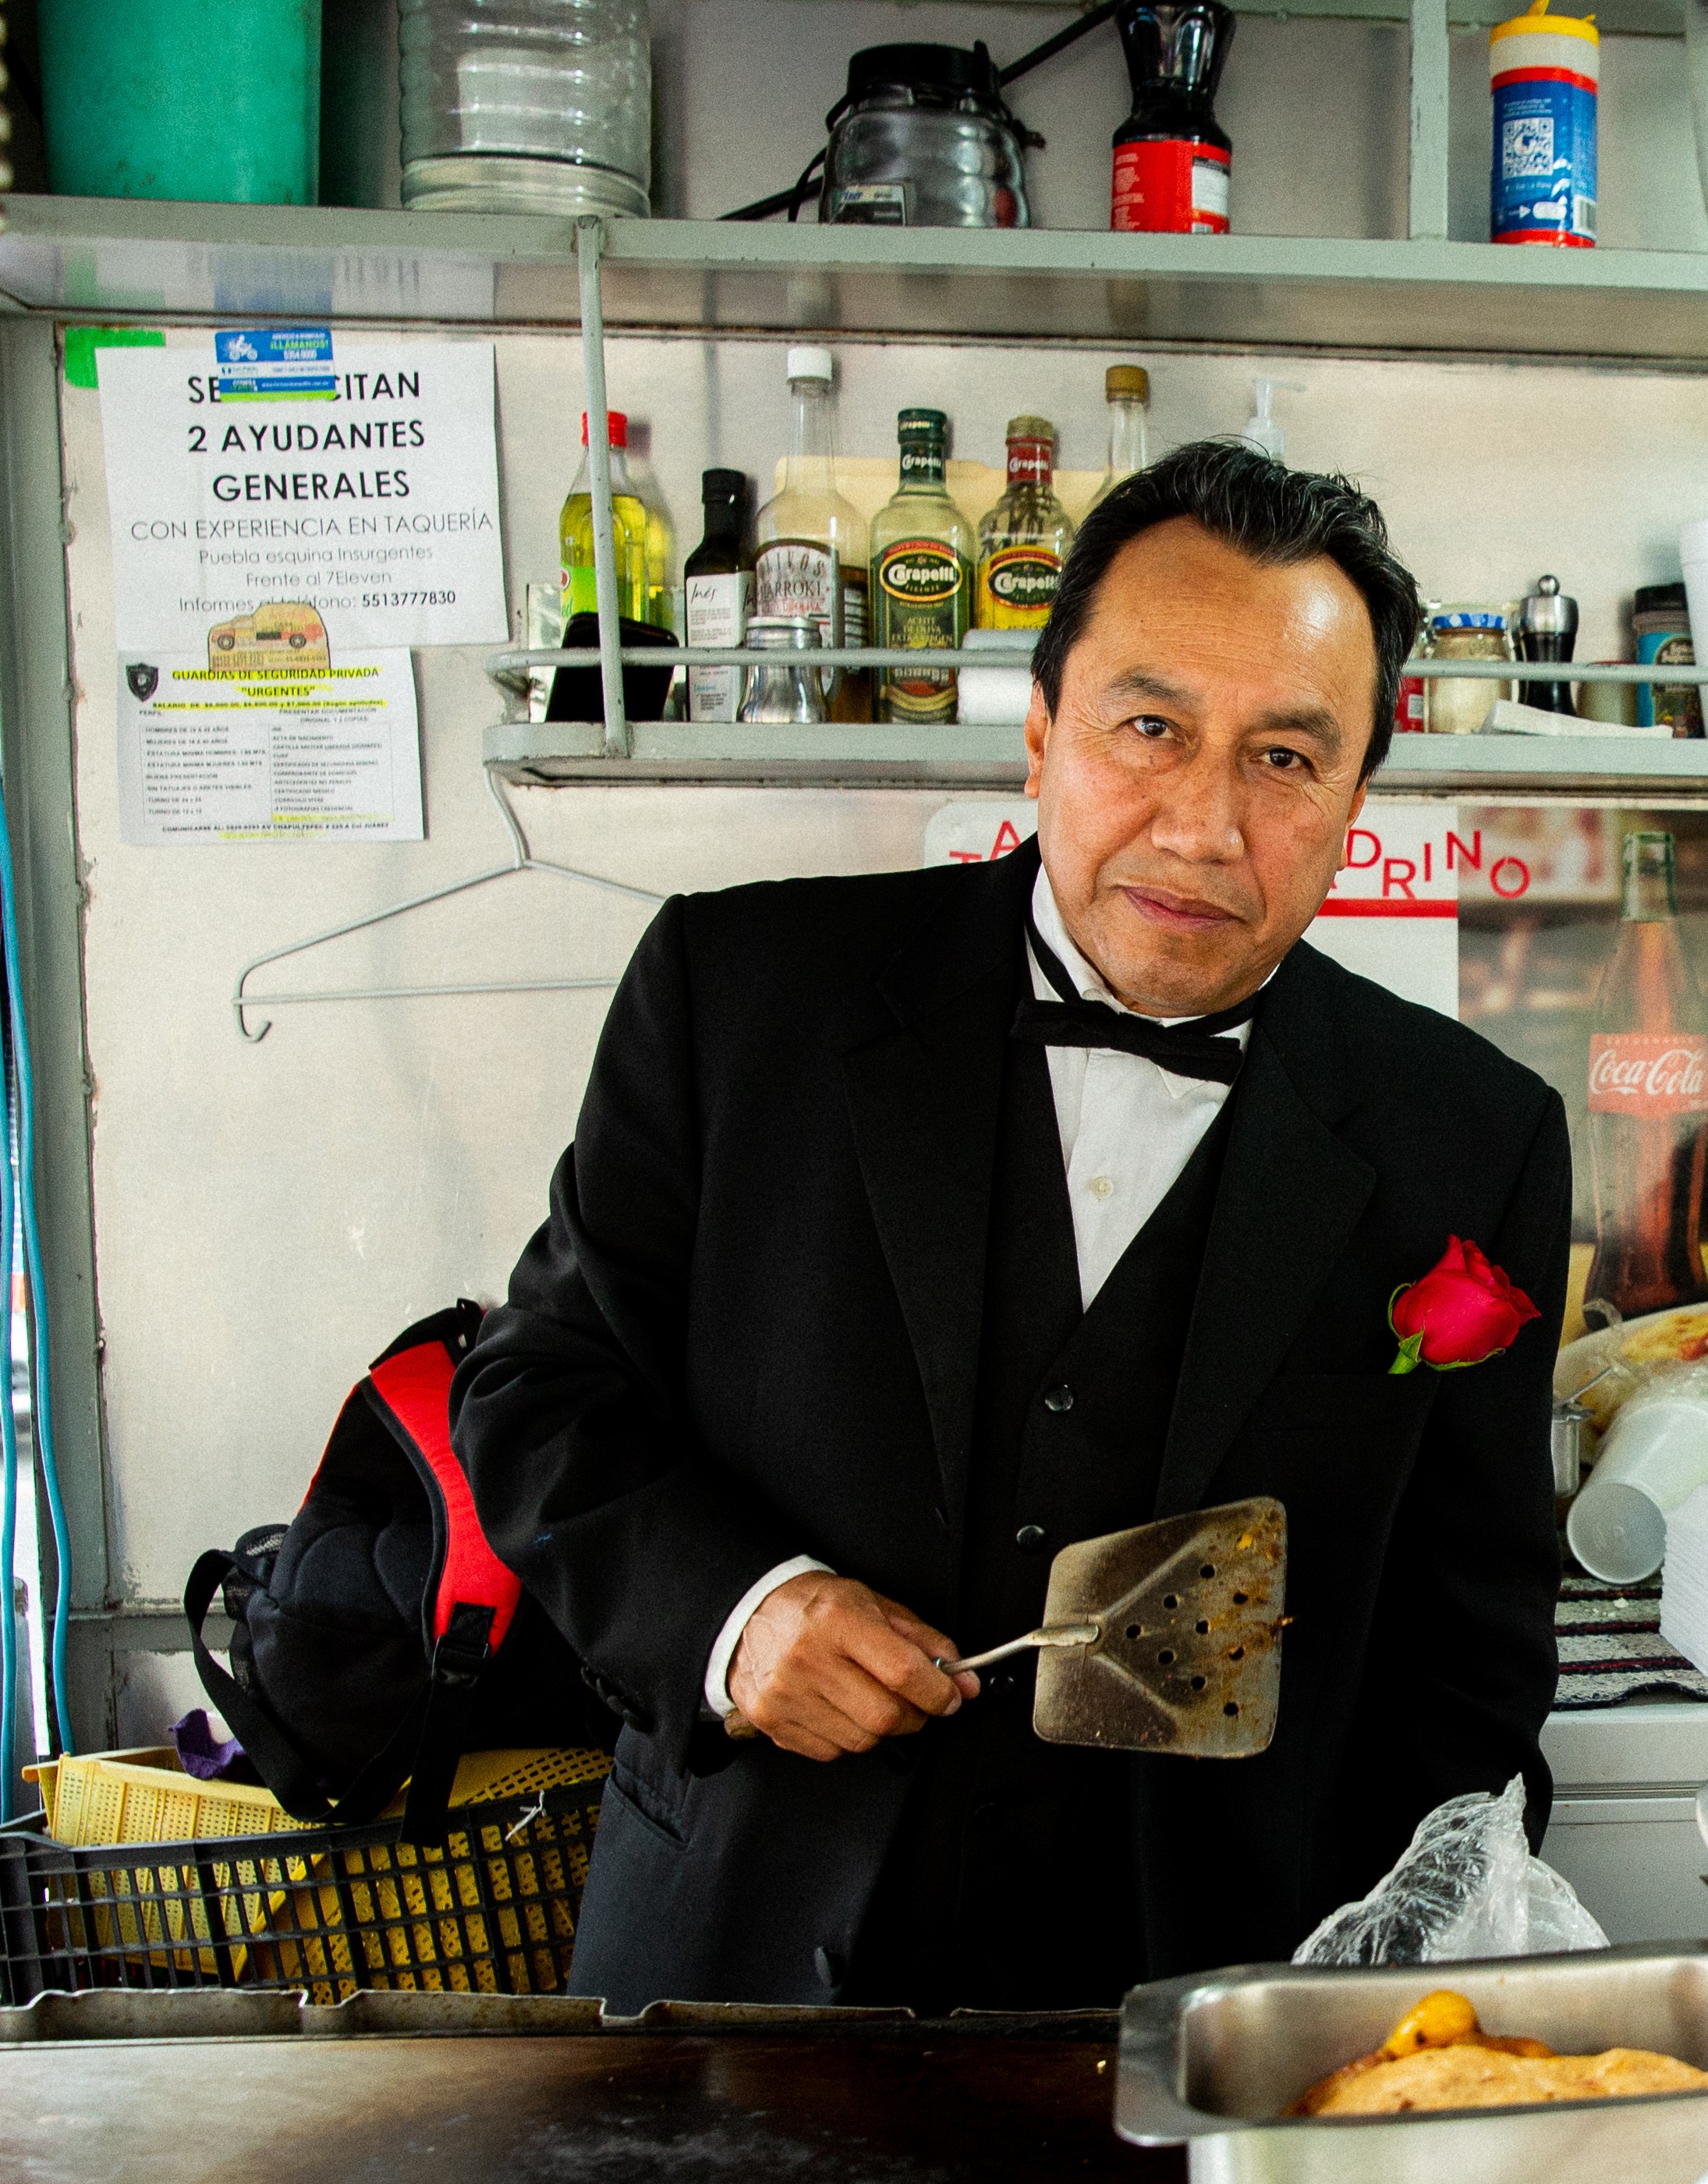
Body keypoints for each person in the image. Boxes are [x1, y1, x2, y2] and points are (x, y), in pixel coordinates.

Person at [456, 441, 1572, 2010]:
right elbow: (536, 1396)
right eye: (1148, 727)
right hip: (745, 1962)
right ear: (1039, 731)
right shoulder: (740, 997)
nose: (1200, 824)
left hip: (1223, 1998)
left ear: (1352, 799)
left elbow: (1471, 1646)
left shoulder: (1472, 1132)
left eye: (1281, 758)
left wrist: (1412, 1962)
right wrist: (733, 1615)